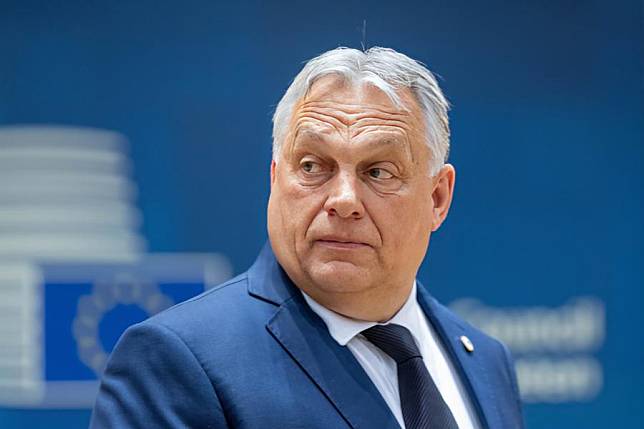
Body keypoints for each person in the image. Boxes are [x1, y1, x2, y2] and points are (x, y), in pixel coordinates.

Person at [90, 47, 524, 429]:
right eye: (314, 166)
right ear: (276, 178)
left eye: (378, 172)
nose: (343, 199)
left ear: (437, 198)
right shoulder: (179, 361)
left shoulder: (485, 359)